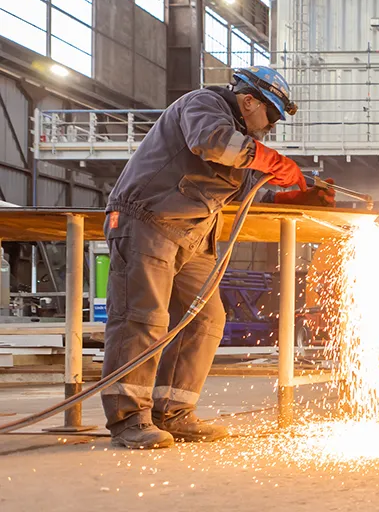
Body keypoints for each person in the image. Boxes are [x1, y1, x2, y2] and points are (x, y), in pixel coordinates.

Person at [101, 66, 327, 449]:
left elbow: (243, 188)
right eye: (270, 116)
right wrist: (271, 161)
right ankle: (129, 419)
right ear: (249, 100)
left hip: (191, 235)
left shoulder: (239, 140)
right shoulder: (203, 105)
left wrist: (291, 195)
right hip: (147, 220)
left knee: (205, 320)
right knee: (143, 319)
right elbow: (211, 142)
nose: (269, 127)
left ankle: (172, 411)